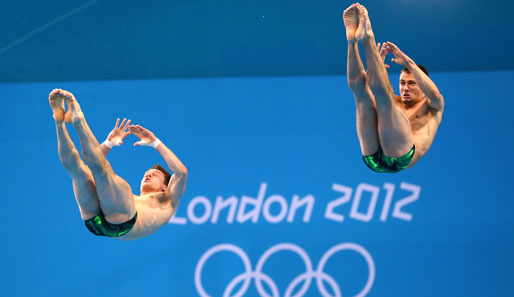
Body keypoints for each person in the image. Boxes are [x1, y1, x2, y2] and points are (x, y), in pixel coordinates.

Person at [49, 88, 187, 240]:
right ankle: (58, 120)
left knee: (104, 170)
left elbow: (182, 173)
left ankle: (79, 119)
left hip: (123, 224)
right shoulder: (132, 200)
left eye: (155, 175)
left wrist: (155, 142)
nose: (148, 175)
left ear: (165, 186)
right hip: (95, 221)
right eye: (147, 174)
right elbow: (93, 163)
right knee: (78, 170)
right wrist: (108, 143)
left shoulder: (169, 201)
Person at [343, 3, 444, 172]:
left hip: (400, 158)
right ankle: (351, 40)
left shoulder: (432, 107)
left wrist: (409, 63)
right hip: (371, 158)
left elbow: (434, 94)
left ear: (421, 84)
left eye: (411, 83)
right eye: (402, 83)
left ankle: (368, 38)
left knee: (385, 98)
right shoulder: (395, 101)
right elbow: (365, 86)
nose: (405, 88)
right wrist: (375, 68)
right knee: (362, 95)